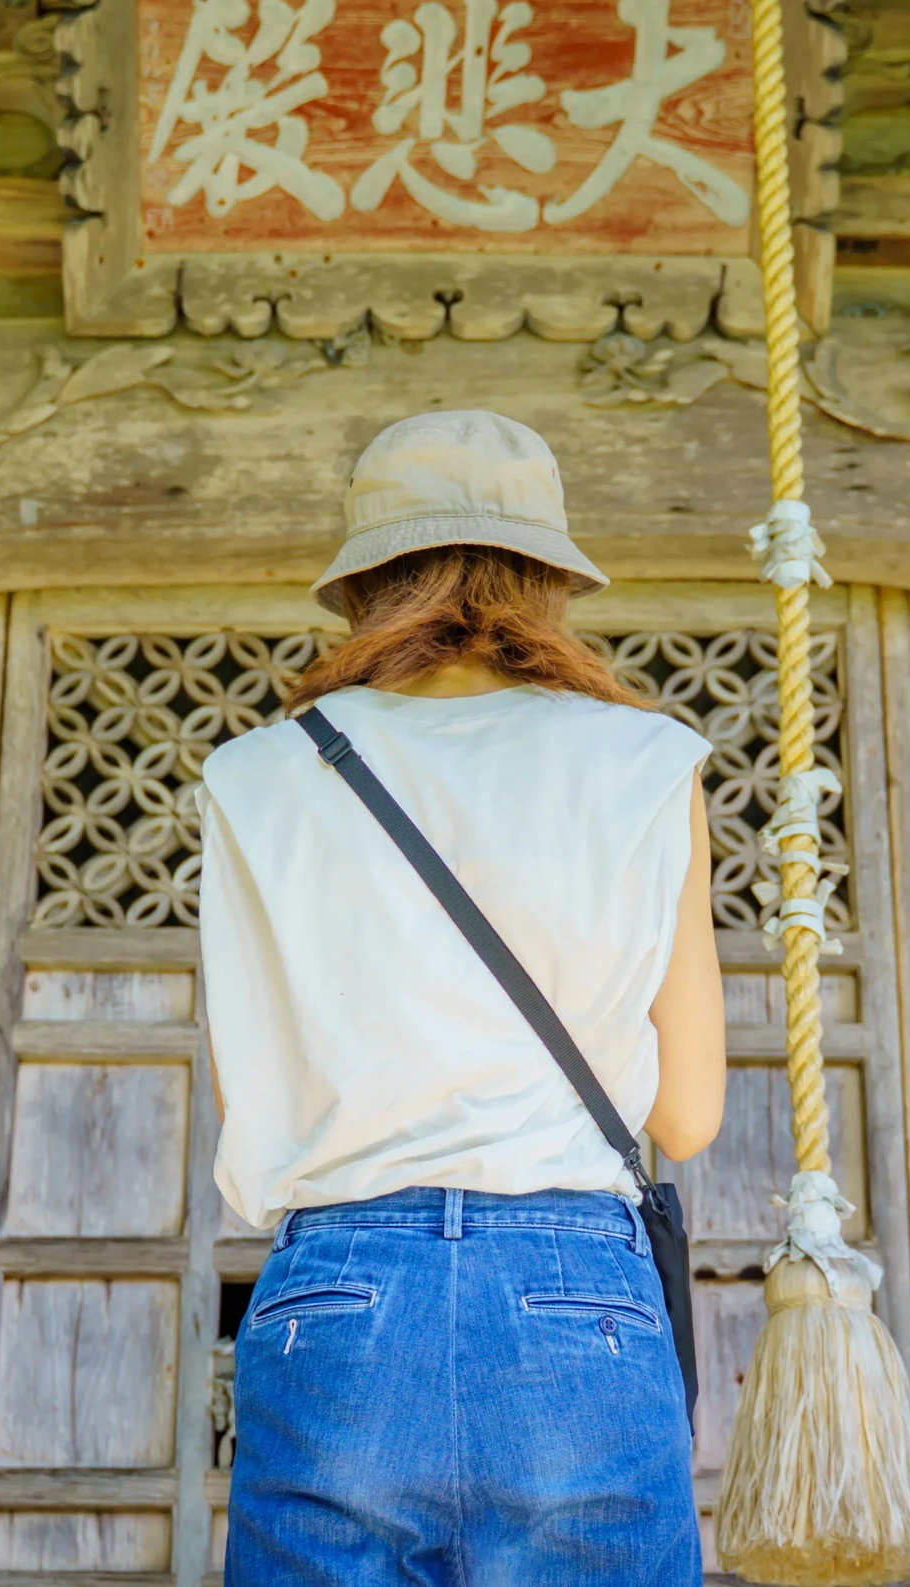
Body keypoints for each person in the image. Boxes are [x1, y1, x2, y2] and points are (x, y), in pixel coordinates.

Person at [199, 409, 727, 1585]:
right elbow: (687, 1119)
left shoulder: (253, 775)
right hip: (575, 1295)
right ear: (548, 578)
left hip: (337, 1293)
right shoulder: (649, 763)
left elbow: (253, 1103)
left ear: (363, 583)